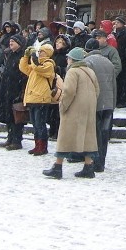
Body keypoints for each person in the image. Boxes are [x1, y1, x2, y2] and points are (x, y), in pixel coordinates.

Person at [42, 47, 100, 179]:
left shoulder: (73, 71)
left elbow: (68, 92)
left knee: (65, 136)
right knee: (88, 136)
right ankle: (88, 166)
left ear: (73, 59)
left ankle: (58, 167)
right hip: (88, 108)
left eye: (68, 58)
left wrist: (62, 106)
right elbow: (97, 90)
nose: (67, 59)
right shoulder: (90, 71)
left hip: (74, 108)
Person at [84, 38, 116, 172]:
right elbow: (114, 84)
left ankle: (93, 161)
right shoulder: (108, 62)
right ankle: (101, 162)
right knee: (104, 134)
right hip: (108, 102)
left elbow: (86, 84)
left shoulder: (87, 62)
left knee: (93, 133)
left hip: (95, 101)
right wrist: (113, 103)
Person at [20, 43, 56, 156]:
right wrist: (26, 56)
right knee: (35, 124)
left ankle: (42, 147)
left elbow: (38, 68)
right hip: (33, 98)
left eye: (42, 51)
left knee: (40, 124)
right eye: (39, 51)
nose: (40, 53)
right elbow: (23, 68)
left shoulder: (48, 65)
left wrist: (33, 58)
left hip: (42, 99)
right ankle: (37, 146)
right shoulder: (36, 64)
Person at [0, 34, 28, 150]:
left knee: (17, 116)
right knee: (9, 115)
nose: (10, 43)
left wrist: (21, 91)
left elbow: (24, 74)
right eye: (10, 41)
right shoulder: (10, 54)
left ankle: (17, 140)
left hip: (17, 89)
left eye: (13, 42)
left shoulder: (23, 56)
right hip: (7, 89)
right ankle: (10, 137)